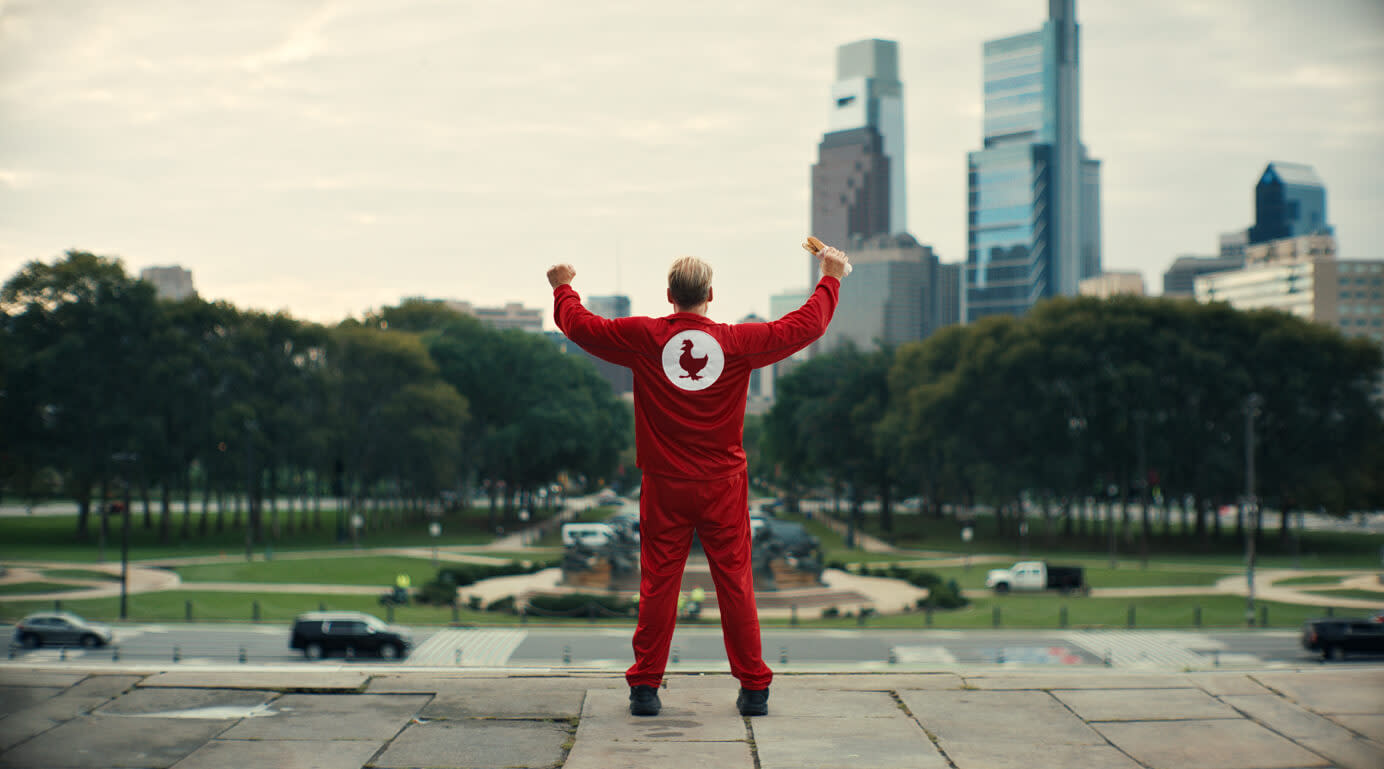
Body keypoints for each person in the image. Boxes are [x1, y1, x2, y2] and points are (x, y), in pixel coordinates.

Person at [547, 241, 850, 717]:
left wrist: (564, 286)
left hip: (665, 485)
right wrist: (830, 276)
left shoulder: (646, 338)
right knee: (735, 583)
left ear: (670, 295)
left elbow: (581, 327)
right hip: (723, 484)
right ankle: (754, 689)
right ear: (711, 294)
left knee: (658, 585)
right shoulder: (736, 343)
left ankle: (645, 688)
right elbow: (806, 325)